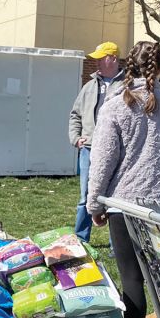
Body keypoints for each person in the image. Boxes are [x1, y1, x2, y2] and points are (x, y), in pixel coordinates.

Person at [86, 41, 160, 318]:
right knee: (156, 272)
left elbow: (102, 159)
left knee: (131, 277)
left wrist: (94, 202)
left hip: (123, 203)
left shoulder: (117, 106)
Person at [68, 41, 126, 243]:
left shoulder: (128, 85)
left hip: (118, 151)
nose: (96, 64)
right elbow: (75, 114)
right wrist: (76, 138)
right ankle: (81, 240)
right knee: (86, 196)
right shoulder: (89, 86)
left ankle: (116, 244)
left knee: (116, 199)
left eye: (100, 59)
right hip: (89, 149)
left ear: (113, 59)